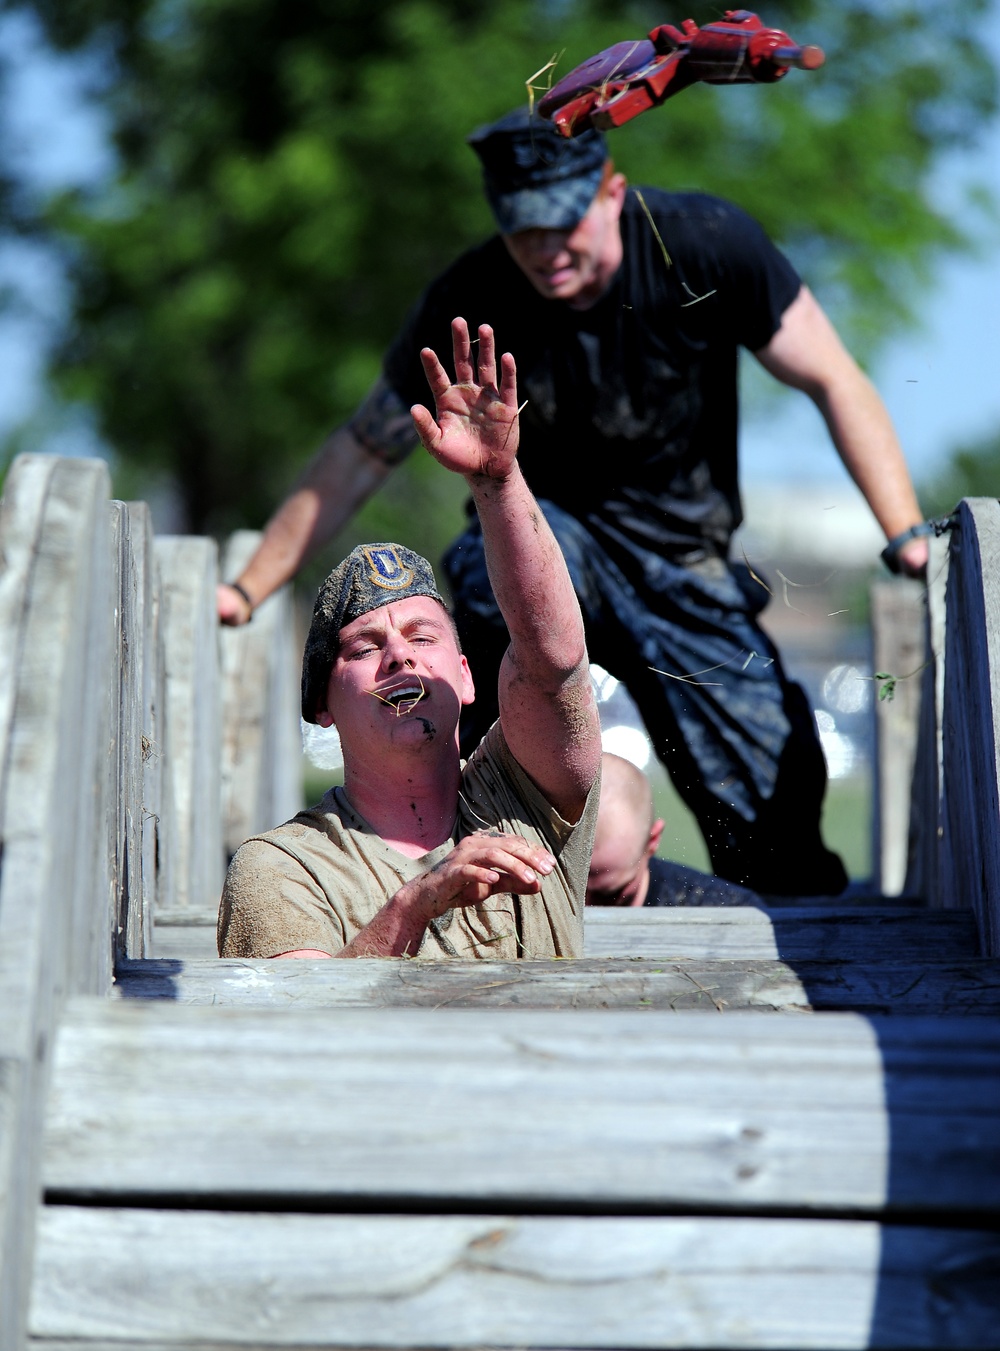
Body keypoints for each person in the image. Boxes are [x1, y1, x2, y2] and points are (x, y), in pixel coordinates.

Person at [217, 106, 930, 897]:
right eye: (524, 232)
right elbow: (363, 447)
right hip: (543, 548)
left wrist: (903, 531)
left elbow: (833, 376)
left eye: (563, 225)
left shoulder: (703, 243)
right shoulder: (474, 294)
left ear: (610, 192)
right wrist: (249, 585)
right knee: (501, 560)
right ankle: (492, 817)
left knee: (772, 816)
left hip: (683, 563)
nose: (546, 251)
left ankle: (787, 917)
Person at [218, 319, 601, 960]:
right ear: (321, 706)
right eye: (364, 647)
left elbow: (554, 661)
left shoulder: (523, 798)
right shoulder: (281, 866)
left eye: (423, 637)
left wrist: (498, 483)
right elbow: (294, 1031)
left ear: (467, 675)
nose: (399, 654)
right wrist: (415, 904)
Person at [586, 753, 762, 908]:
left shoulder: (728, 915)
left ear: (653, 841)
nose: (585, 910)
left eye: (610, 895)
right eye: (566, 890)